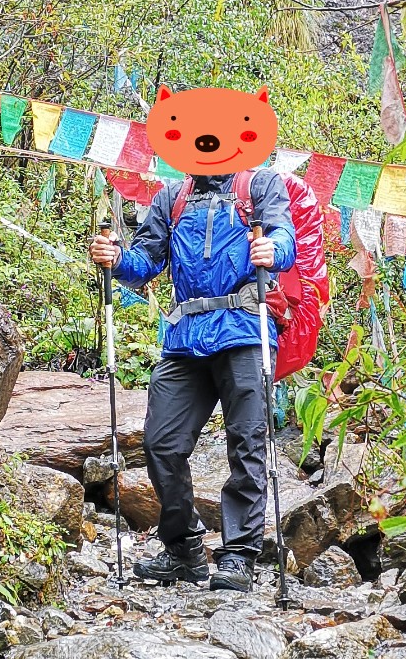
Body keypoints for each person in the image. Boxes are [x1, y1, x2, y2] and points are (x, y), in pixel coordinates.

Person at [90, 95, 296, 592]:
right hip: (185, 341)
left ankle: (239, 555)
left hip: (245, 330)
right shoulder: (171, 197)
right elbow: (145, 262)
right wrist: (116, 259)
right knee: (161, 443)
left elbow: (285, 236)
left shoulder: (260, 183)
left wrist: (275, 248)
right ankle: (183, 550)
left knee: (247, 443)